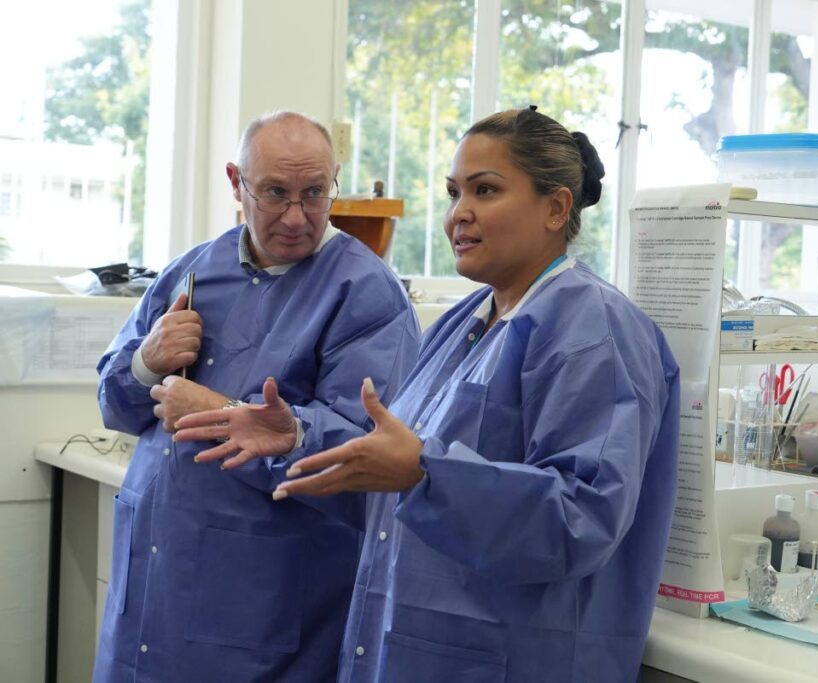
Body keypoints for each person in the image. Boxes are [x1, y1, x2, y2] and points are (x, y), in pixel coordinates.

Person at [176, 107, 680, 683]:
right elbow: (390, 481)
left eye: (485, 191)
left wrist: (425, 473)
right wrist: (298, 437)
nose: (457, 215)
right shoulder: (465, 322)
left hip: (514, 658)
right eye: (452, 192)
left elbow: (581, 520)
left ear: (556, 207)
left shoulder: (594, 329)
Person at [93, 111, 420, 682]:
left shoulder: (366, 295)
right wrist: (147, 363)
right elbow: (113, 405)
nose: (297, 217)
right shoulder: (192, 271)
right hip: (151, 589)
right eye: (274, 193)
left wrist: (221, 417)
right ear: (235, 184)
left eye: (314, 193)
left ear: (334, 180)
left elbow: (365, 460)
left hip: (262, 606)